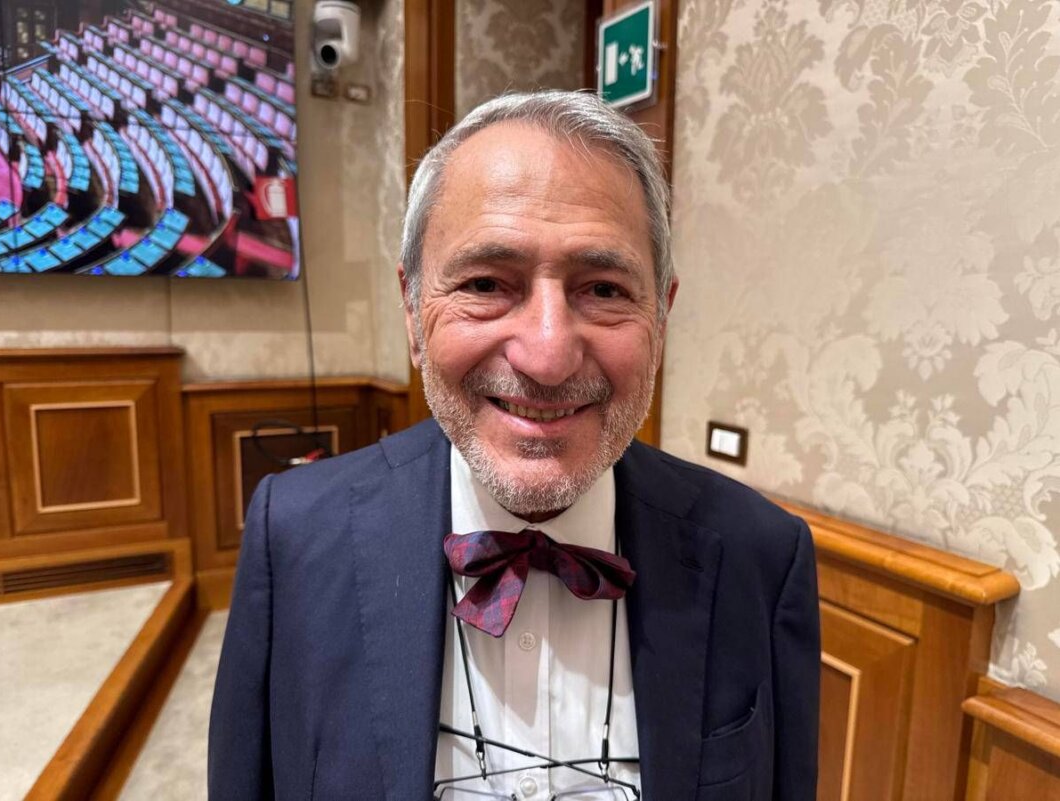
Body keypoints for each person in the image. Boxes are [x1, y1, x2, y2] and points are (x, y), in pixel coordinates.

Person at [209, 90, 820, 801]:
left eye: (603, 289)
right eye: (485, 284)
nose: (548, 356)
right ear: (412, 310)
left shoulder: (761, 556)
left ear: (661, 318)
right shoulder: (293, 535)